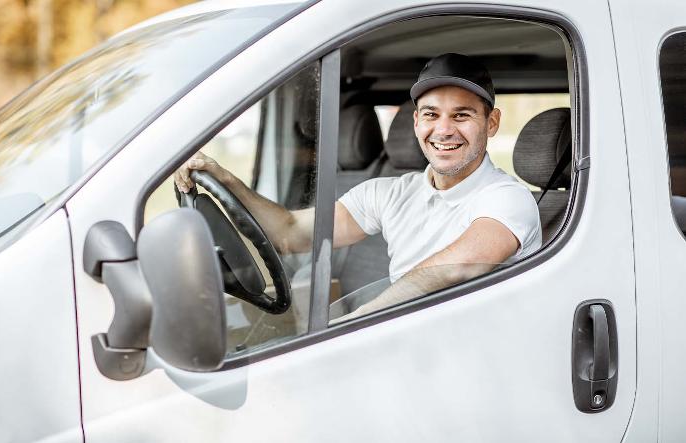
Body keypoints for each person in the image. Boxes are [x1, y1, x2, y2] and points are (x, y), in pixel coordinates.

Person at [175, 53, 542, 321]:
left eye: (462, 115)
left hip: (472, 354)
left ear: (491, 123)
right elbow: (290, 233)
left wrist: (356, 324)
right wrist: (225, 178)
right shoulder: (390, 193)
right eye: (431, 114)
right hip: (408, 341)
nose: (444, 130)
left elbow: (450, 271)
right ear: (415, 122)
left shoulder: (508, 198)